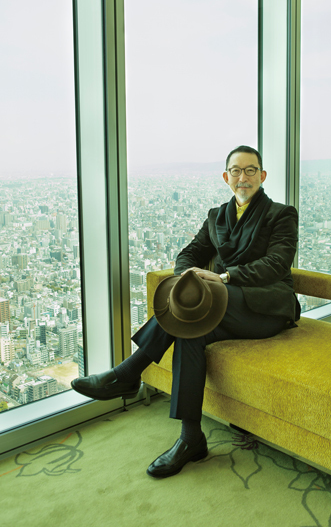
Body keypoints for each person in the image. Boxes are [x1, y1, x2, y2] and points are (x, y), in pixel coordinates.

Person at [71, 145, 300, 478]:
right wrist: (186, 278)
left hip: (265, 308)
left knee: (201, 304)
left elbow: (276, 264)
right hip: (225, 307)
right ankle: (191, 438)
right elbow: (189, 254)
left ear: (262, 176)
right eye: (236, 170)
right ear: (226, 177)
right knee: (190, 331)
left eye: (251, 170)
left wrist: (224, 277)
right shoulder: (216, 216)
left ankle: (127, 374)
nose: (243, 177)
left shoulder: (280, 214)